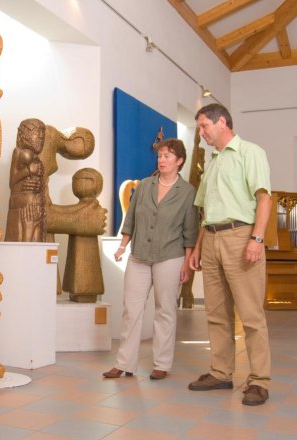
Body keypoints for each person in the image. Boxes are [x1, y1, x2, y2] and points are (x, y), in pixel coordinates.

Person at [187, 103, 272, 406]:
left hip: (240, 236)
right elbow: (205, 212)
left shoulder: (251, 153)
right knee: (216, 314)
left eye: (203, 127)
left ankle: (259, 380)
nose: (201, 133)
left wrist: (256, 239)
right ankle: (221, 372)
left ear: (221, 122)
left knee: (251, 316)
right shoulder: (214, 162)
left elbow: (264, 198)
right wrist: (197, 247)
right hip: (210, 239)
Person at [103, 138, 198, 380]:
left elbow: (190, 231)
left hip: (170, 256)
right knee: (131, 311)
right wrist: (122, 247)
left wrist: (187, 263)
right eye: (160, 155)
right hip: (139, 256)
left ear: (180, 161)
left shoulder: (187, 192)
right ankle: (124, 363)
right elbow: (131, 219)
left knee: (165, 310)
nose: (162, 160)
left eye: (167, 156)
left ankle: (161, 364)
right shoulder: (144, 185)